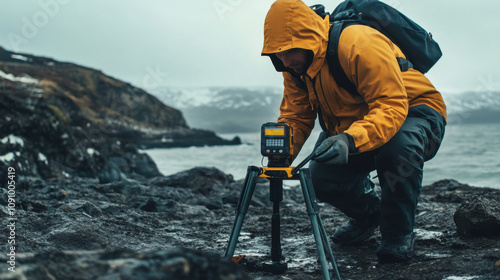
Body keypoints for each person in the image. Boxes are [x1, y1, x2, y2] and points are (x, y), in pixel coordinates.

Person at [261, 0, 447, 262]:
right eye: (276, 54)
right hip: (356, 127)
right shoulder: (294, 67)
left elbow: (391, 106)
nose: (284, 60)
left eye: (288, 52)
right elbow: (297, 116)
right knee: (320, 176)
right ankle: (369, 215)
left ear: (308, 39)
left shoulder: (358, 43)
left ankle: (397, 235)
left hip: (415, 111)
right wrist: (281, 159)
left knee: (398, 151)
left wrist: (350, 140)